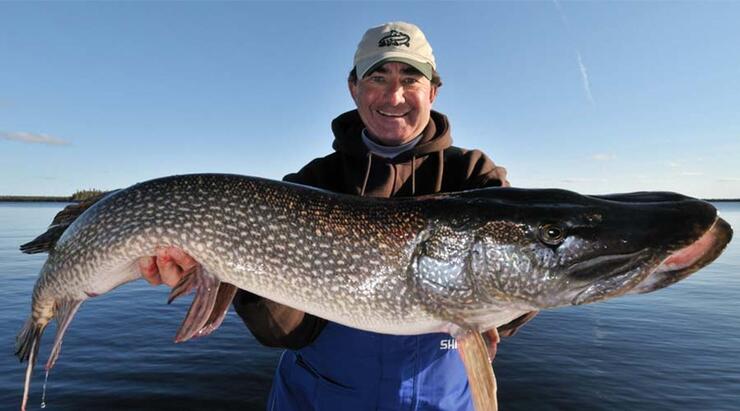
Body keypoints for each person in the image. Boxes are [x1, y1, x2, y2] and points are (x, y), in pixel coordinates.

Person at [139, 21, 535, 411]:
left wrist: (494, 317)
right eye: (377, 77)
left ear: (432, 90)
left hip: (440, 400)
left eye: (410, 78)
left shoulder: (474, 176)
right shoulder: (311, 183)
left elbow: (530, 272)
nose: (394, 96)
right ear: (354, 88)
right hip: (317, 397)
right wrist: (233, 269)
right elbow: (288, 332)